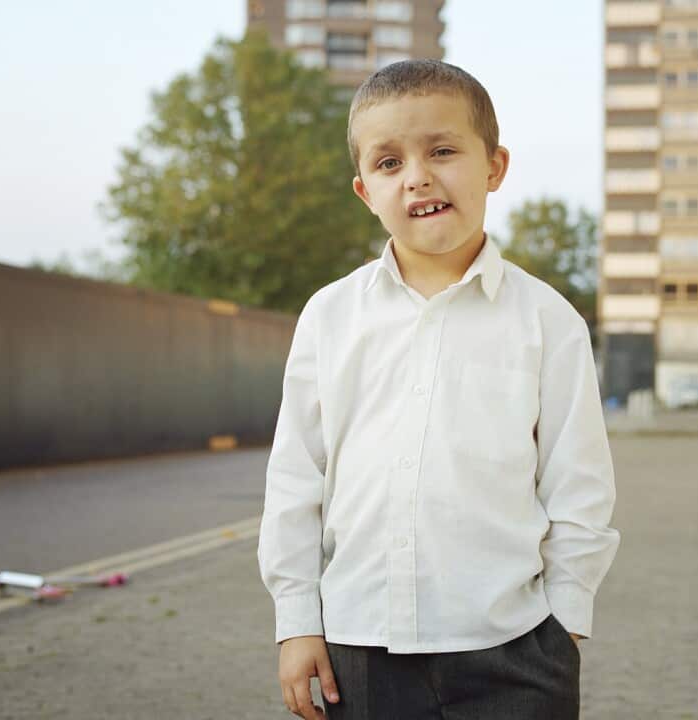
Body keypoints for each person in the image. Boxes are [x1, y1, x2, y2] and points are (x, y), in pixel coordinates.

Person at [258, 59, 621, 719]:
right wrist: (296, 621)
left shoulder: (548, 322)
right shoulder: (330, 317)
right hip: (358, 649)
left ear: (495, 166)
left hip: (514, 649)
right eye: (389, 162)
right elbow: (295, 481)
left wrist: (563, 627)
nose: (418, 175)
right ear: (366, 190)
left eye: (443, 150)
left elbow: (579, 488)